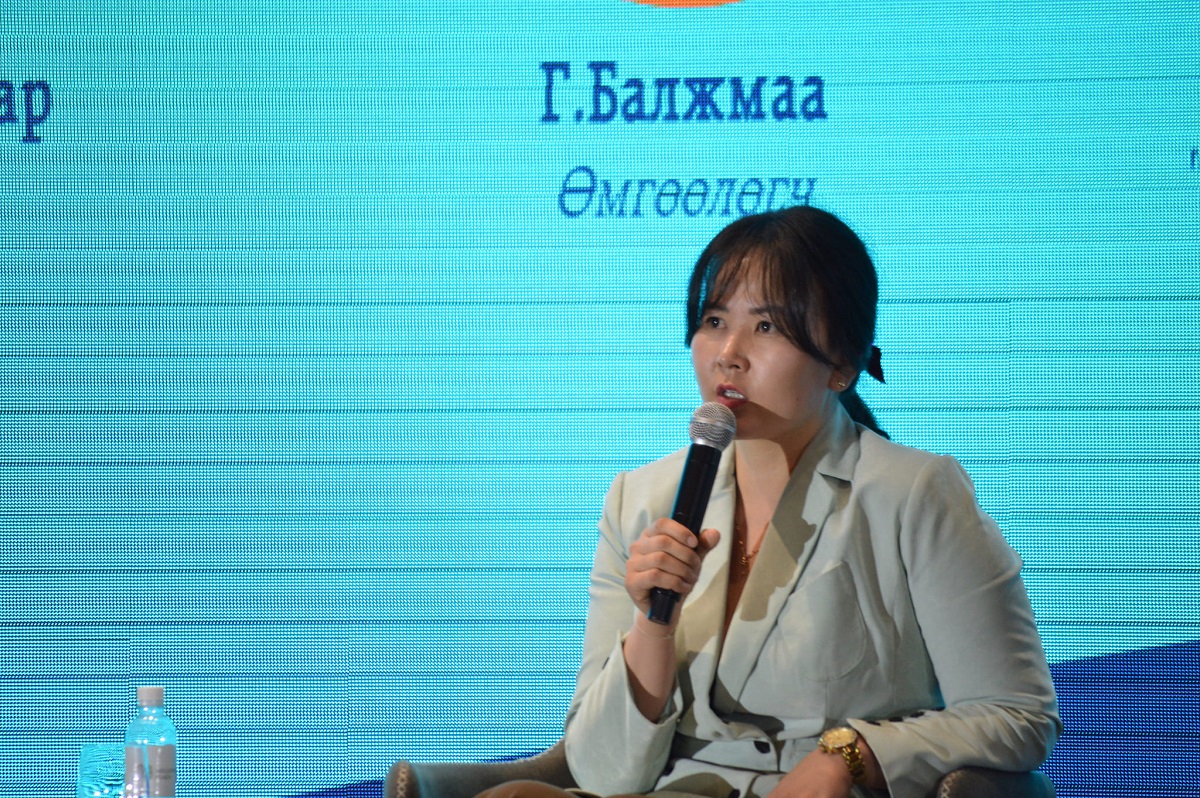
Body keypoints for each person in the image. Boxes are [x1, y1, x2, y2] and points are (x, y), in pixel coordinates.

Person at [486, 206, 1060, 798]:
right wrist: (653, 627)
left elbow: (1015, 714)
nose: (728, 354)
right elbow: (601, 772)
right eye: (714, 320)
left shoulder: (911, 493)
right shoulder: (642, 497)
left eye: (767, 327)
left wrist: (849, 756)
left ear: (841, 363)